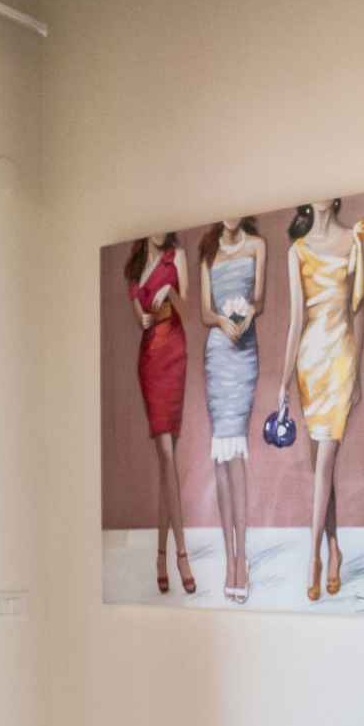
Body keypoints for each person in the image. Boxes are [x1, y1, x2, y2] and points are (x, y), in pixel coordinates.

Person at [278, 200, 364, 601]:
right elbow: (295, 320)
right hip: (309, 363)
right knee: (321, 469)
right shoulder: (296, 251)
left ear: (334, 199)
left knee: (325, 462)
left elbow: (359, 309)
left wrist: (359, 369)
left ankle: (313, 557)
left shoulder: (354, 239)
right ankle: (335, 550)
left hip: (341, 358)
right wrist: (283, 382)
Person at [198, 217, 266, 603]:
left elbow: (261, 300)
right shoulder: (208, 253)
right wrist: (223, 320)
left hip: (244, 353)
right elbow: (205, 313)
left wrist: (247, 315)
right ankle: (230, 560)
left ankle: (243, 558)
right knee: (221, 460)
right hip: (218, 354)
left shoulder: (257, 245)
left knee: (235, 454)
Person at [124, 232, 194, 595]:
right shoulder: (136, 267)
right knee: (166, 457)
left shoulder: (175, 256)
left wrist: (171, 293)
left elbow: (189, 310)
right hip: (150, 358)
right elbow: (140, 319)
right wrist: (144, 317)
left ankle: (163, 555)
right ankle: (180, 555)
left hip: (175, 352)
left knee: (169, 462)